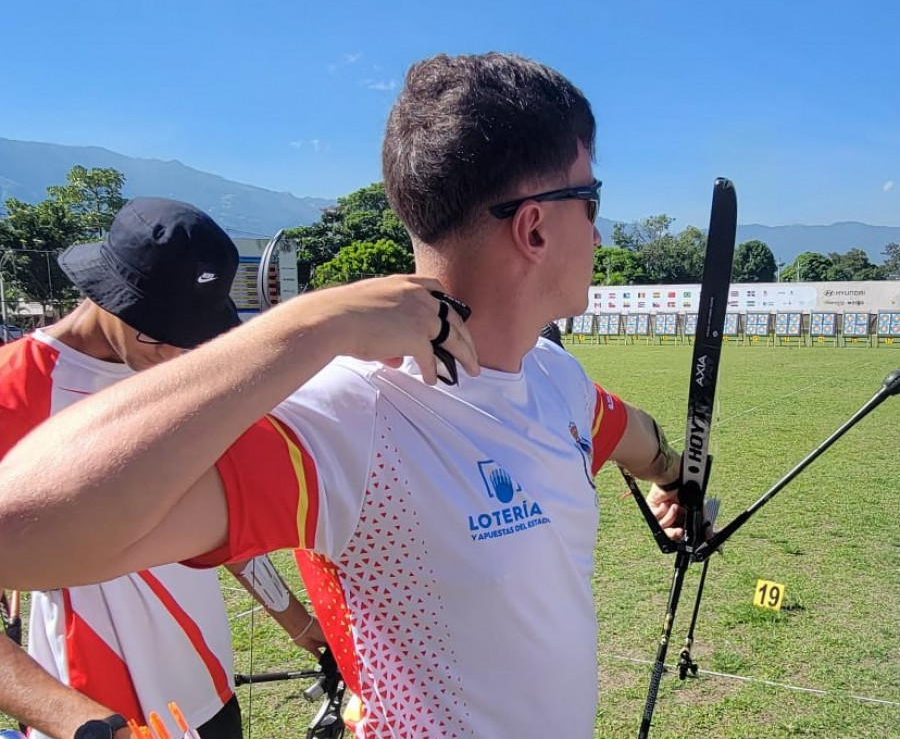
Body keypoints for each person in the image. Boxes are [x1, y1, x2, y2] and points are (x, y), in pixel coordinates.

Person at [0, 55, 687, 737]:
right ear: (534, 227)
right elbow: (13, 532)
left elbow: (633, 436)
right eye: (589, 201)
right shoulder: (347, 419)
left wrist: (676, 477)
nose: (599, 232)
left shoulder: (555, 378)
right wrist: (311, 324)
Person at [0, 198, 324, 739]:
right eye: (155, 333)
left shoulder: (182, 373)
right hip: (97, 708)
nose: (172, 357)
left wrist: (297, 621)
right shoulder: (14, 389)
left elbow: (221, 519)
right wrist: (82, 723)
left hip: (208, 687)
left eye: (190, 336)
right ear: (106, 291)